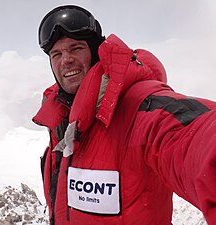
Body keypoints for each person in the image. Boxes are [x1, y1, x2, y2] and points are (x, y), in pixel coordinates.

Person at [32, 5, 216, 225]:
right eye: (57, 54)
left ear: (96, 51)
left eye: (76, 48)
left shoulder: (140, 106)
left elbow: (192, 136)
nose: (66, 60)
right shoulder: (62, 124)